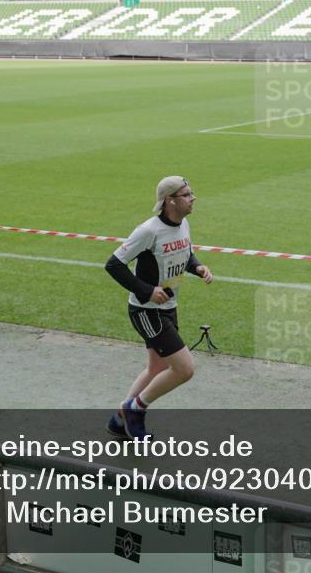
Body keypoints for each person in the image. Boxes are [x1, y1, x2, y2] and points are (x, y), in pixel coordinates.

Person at [104, 176, 213, 439]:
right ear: (170, 200)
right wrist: (148, 291)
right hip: (146, 311)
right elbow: (114, 265)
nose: (193, 198)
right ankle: (135, 409)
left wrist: (197, 267)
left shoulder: (183, 224)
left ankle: (119, 420)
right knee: (184, 369)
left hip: (168, 307)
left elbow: (184, 253)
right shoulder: (148, 231)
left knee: (158, 368)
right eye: (186, 194)